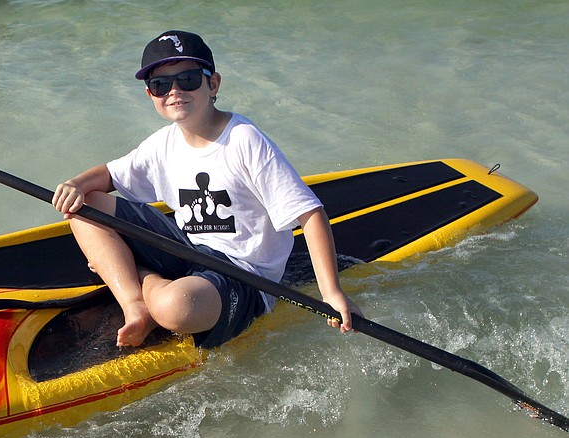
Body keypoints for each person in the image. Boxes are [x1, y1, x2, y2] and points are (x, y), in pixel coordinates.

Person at [52, 30, 361, 349]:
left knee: (175, 309)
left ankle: (145, 277)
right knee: (85, 206)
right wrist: (75, 184)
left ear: (213, 84)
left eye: (187, 79)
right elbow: (108, 176)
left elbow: (310, 214)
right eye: (161, 85)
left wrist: (331, 293)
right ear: (150, 95)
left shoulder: (244, 140)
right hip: (187, 247)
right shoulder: (162, 144)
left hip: (243, 274)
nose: (174, 91)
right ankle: (135, 304)